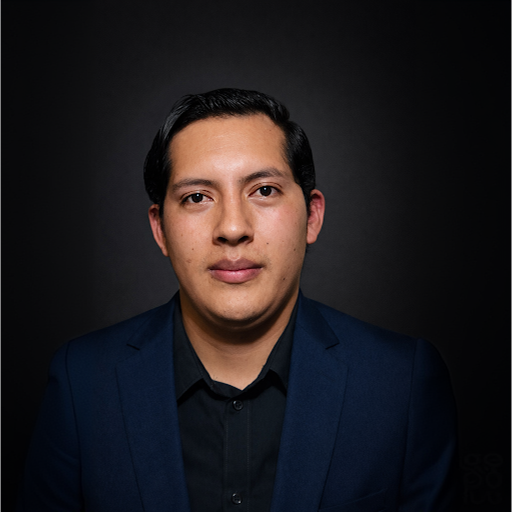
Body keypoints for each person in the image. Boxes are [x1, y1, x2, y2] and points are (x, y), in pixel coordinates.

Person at [18, 88, 457, 511]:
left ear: (312, 216)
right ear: (160, 229)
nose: (232, 228)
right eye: (197, 197)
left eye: (264, 190)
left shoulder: (402, 383)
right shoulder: (82, 383)